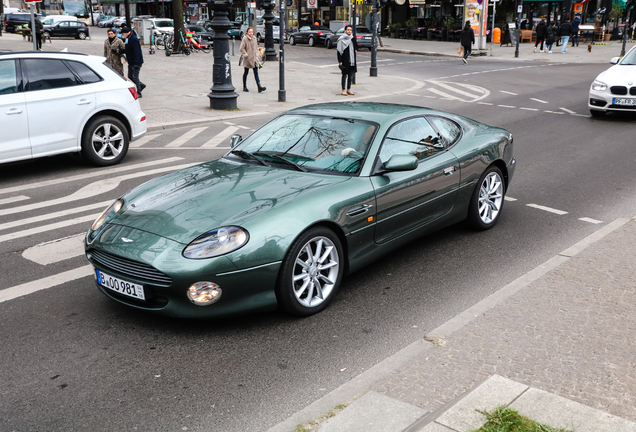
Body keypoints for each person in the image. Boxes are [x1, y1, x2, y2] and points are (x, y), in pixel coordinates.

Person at [121, 26, 146, 97]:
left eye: (123, 34)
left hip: (136, 62)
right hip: (131, 61)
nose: (122, 35)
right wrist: (121, 51)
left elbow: (136, 52)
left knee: (135, 77)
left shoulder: (134, 39)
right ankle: (141, 85)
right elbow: (128, 49)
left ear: (126, 33)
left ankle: (139, 92)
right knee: (130, 76)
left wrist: (136, 63)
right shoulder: (128, 38)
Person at [239, 27, 266, 93]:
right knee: (246, 72)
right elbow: (241, 48)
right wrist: (246, 54)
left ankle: (259, 87)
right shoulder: (245, 39)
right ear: (247, 32)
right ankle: (244, 86)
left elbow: (256, 48)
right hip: (248, 59)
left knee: (256, 72)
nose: (251, 33)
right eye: (249, 32)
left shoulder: (254, 39)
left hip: (254, 58)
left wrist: (257, 56)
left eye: (252, 32)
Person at [337, 24, 358, 96]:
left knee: (350, 75)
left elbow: (356, 46)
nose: (349, 31)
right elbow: (339, 51)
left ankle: (349, 89)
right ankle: (343, 90)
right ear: (345, 31)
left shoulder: (352, 38)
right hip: (345, 60)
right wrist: (340, 61)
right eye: (348, 30)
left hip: (352, 60)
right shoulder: (341, 39)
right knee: (344, 75)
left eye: (350, 30)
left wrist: (355, 50)